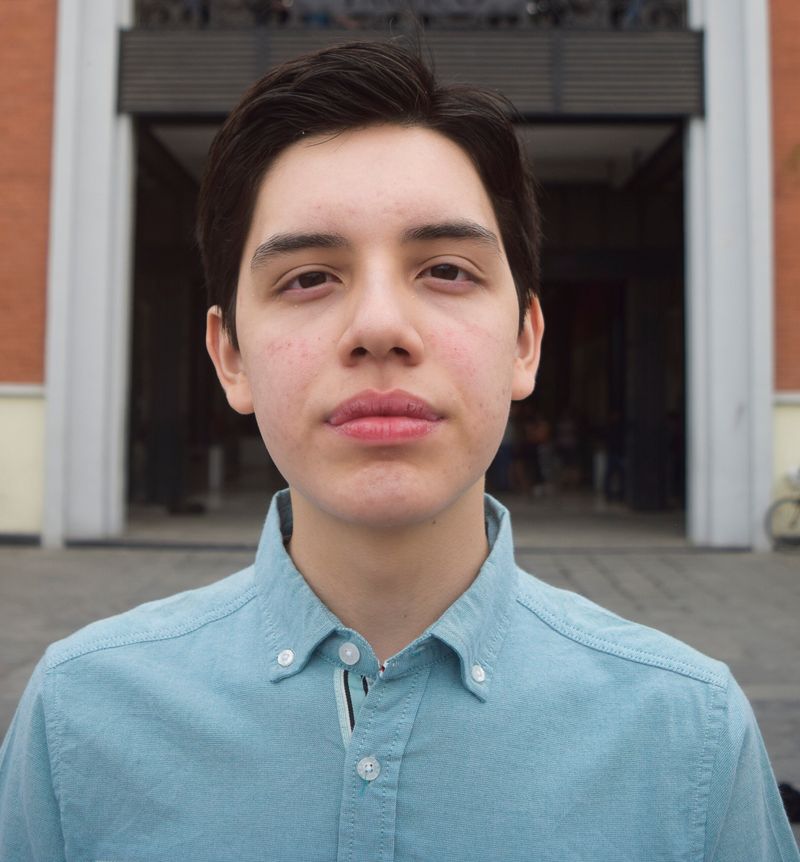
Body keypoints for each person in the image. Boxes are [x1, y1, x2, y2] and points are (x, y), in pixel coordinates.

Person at [1, 39, 797, 861]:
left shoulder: (690, 736)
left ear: (525, 342)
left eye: (446, 270)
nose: (380, 327)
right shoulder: (79, 719)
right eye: (308, 278)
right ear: (230, 355)